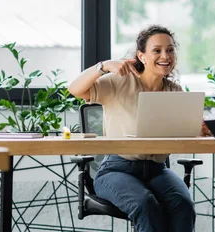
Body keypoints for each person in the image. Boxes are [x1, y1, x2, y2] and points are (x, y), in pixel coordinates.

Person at [69, 25, 207, 232]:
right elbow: (75, 89)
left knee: (183, 205)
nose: (165, 56)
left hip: (157, 170)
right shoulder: (120, 82)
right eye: (157, 50)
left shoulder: (174, 92)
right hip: (116, 169)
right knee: (145, 203)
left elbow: (184, 129)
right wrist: (103, 66)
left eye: (170, 50)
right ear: (141, 56)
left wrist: (201, 128)